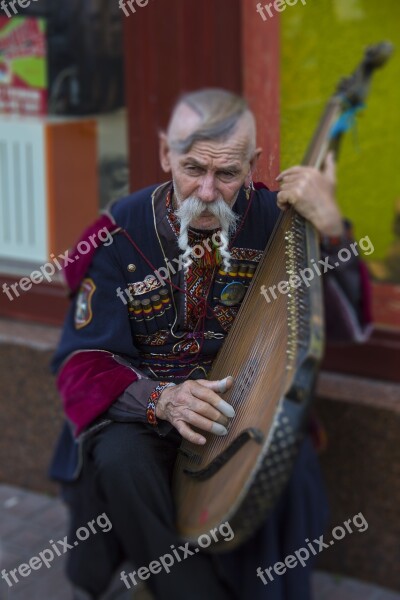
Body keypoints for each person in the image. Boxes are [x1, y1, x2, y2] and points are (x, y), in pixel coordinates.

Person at [50, 88, 371, 600]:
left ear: (253, 164)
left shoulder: (279, 221)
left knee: (292, 467)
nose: (205, 191)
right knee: (120, 462)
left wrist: (332, 228)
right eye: (192, 168)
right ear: (165, 156)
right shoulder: (116, 236)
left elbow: (348, 324)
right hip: (147, 408)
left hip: (248, 405)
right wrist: (162, 399)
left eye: (226, 174)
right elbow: (82, 361)